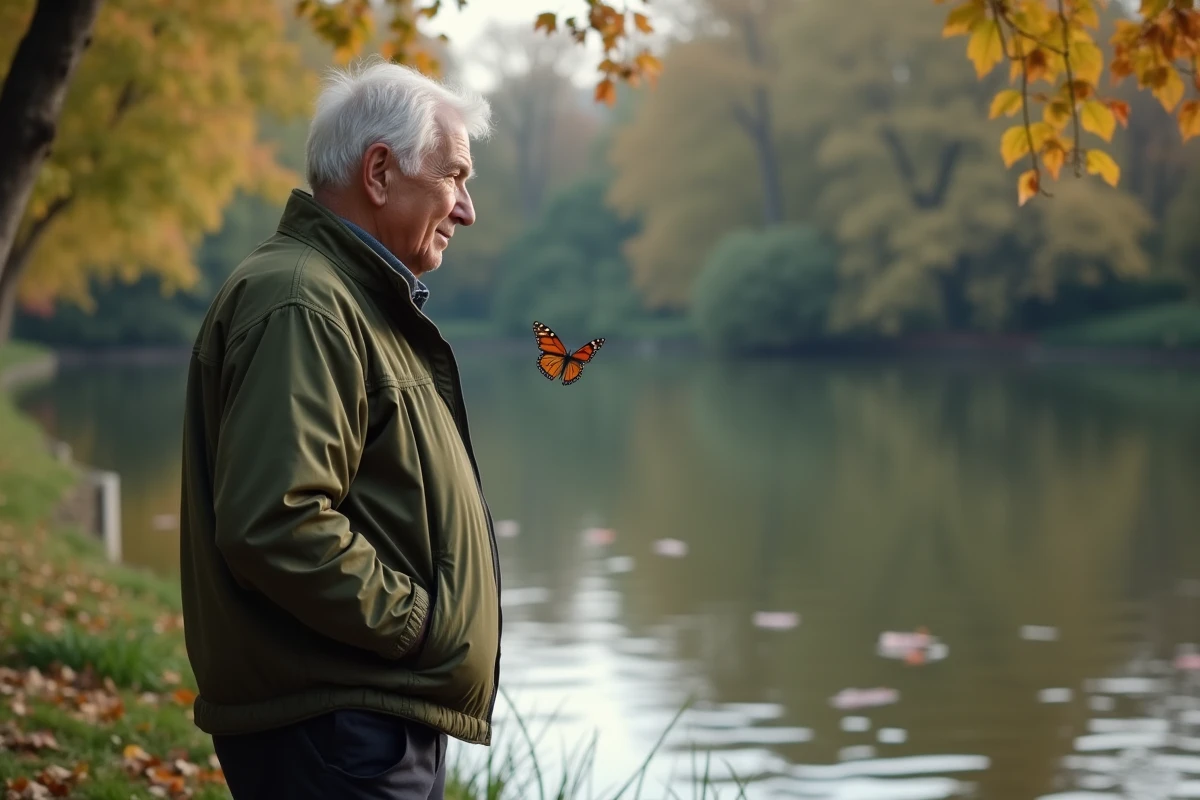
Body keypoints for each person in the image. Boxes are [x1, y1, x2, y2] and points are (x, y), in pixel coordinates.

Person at [177, 58, 502, 800]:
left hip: (358, 714)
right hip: (338, 726)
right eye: (454, 176)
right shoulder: (305, 302)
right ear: (380, 172)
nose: (466, 208)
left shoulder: (351, 300)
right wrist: (418, 627)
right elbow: (275, 520)